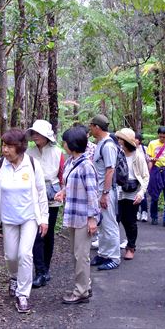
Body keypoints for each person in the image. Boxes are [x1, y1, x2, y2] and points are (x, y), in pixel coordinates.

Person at [0, 129, 49, 313]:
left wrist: (44, 218)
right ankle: (14, 278)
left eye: (9, 146)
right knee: (11, 256)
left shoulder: (32, 165)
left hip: (29, 217)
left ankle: (23, 295)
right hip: (8, 218)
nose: (5, 150)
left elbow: (41, 192)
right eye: (3, 146)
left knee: (25, 254)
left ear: (20, 147)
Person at [54, 127, 100, 304]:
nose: (63, 144)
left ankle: (81, 292)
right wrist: (63, 192)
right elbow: (69, 182)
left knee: (81, 256)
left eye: (65, 141)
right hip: (73, 214)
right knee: (76, 254)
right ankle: (84, 286)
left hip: (83, 217)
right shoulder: (71, 162)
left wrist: (92, 218)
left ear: (71, 144)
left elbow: (92, 194)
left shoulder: (86, 166)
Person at [25, 120, 65, 288]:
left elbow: (63, 174)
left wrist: (62, 192)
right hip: (33, 196)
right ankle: (40, 271)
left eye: (38, 134)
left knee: (48, 234)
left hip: (52, 196)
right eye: (33, 133)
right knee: (36, 235)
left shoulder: (58, 153)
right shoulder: (29, 152)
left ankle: (45, 269)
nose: (35, 137)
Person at [89, 114, 121, 270]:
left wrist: (105, 194)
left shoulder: (108, 145)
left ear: (97, 127)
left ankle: (114, 257)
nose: (90, 128)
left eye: (91, 126)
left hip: (105, 191)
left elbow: (110, 170)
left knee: (110, 224)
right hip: (99, 190)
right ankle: (103, 254)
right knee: (101, 224)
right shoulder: (101, 143)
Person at [115, 128, 149, 260]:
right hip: (119, 191)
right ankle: (112, 246)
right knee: (117, 219)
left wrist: (141, 193)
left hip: (132, 192)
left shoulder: (138, 156)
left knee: (130, 221)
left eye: (121, 139)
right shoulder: (118, 153)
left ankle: (131, 247)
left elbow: (146, 176)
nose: (118, 141)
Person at [147, 126, 165, 227]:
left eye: (164, 137)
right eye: (160, 136)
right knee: (154, 197)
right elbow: (148, 158)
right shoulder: (152, 144)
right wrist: (150, 171)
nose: (162, 138)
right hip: (156, 170)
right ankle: (154, 217)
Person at [135, 132, 149, 222]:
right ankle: (137, 212)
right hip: (135, 175)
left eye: (135, 138)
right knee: (135, 194)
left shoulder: (144, 149)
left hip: (143, 174)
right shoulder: (130, 148)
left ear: (139, 140)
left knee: (143, 193)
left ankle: (144, 212)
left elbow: (148, 160)